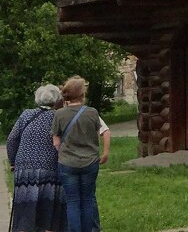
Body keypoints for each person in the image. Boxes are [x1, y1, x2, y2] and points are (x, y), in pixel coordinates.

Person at [51, 77, 110, 232]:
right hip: (90, 162)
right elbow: (99, 133)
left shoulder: (59, 114)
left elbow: (56, 141)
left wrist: (65, 152)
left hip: (67, 163)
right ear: (82, 93)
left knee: (72, 201)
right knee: (88, 199)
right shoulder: (92, 112)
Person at [5, 84, 67, 232]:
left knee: (24, 208)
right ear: (57, 99)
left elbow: (11, 139)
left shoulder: (26, 114)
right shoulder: (58, 116)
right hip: (50, 167)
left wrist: (13, 162)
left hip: (24, 169)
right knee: (49, 211)